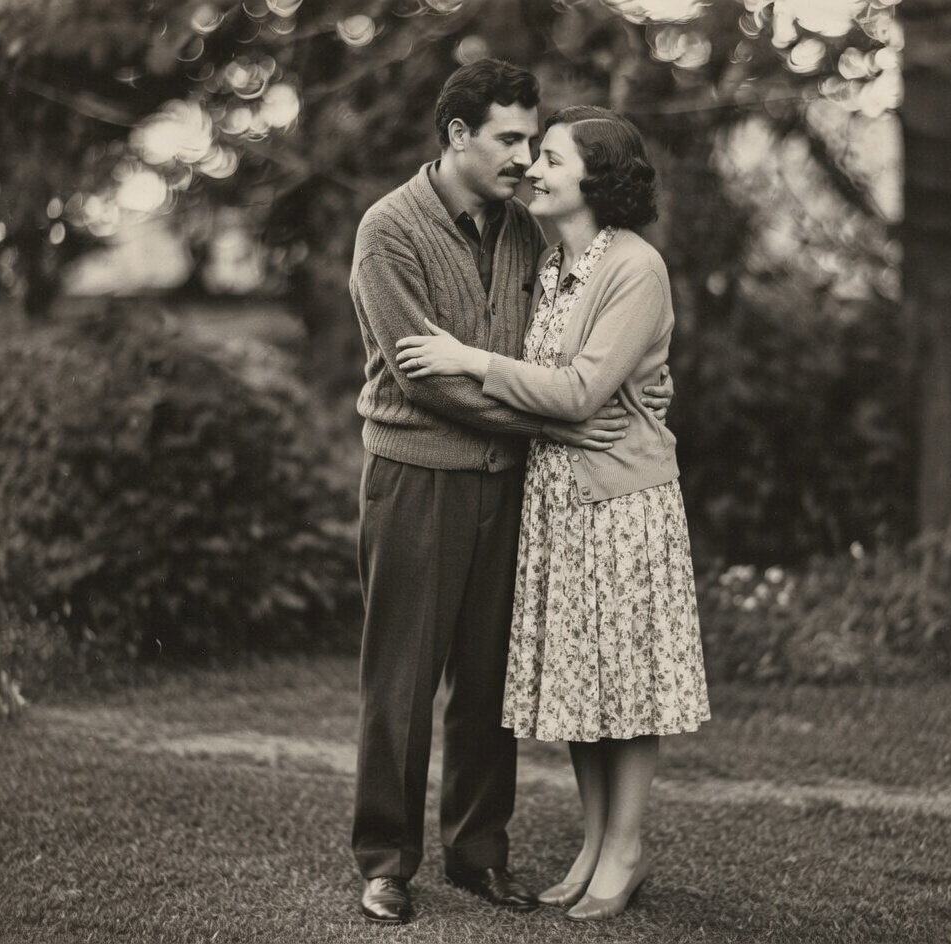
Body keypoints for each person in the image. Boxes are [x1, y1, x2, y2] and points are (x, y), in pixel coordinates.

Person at [348, 62, 671, 925]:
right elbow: (428, 381)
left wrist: (580, 413)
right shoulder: (390, 230)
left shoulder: (531, 229)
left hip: (515, 486)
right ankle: (386, 861)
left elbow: (578, 360)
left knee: (492, 685)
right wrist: (554, 425)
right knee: (403, 682)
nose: (526, 159)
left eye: (536, 142)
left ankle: (478, 854)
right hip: (418, 476)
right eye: (509, 140)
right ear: (458, 136)